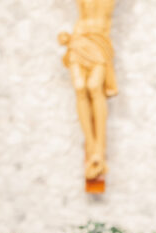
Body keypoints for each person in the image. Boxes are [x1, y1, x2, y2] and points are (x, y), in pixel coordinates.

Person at [58, 0, 117, 181]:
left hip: (99, 42)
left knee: (93, 86)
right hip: (79, 39)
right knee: (79, 88)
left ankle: (99, 149)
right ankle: (92, 147)